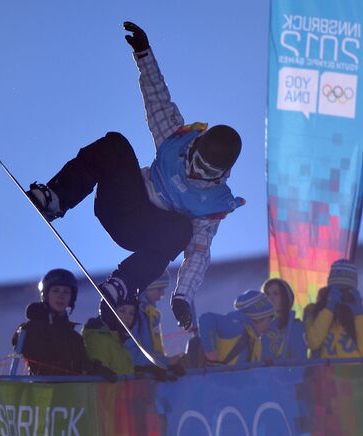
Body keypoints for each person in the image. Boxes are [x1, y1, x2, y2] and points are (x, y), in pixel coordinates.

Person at [25, 22, 244, 331]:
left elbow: (198, 254)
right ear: (194, 148)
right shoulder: (175, 141)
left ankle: (123, 284)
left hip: (145, 231)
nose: (196, 172)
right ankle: (57, 197)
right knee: (116, 144)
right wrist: (144, 54)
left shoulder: (212, 205)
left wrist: (182, 296)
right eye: (197, 162)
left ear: (220, 174)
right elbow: (158, 101)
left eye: (208, 173)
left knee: (183, 229)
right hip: (121, 203)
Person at [12, 268, 116, 380]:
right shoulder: (31, 329)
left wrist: (101, 372)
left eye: (66, 292)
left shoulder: (74, 338)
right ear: (46, 294)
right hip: (44, 394)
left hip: (71, 395)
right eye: (55, 290)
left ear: (71, 297)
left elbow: (85, 364)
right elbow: (40, 360)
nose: (61, 296)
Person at [82, 295, 170, 380]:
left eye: (131, 313)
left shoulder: (120, 340)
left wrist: (145, 371)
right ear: (109, 311)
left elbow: (122, 372)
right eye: (122, 311)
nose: (127, 317)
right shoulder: (97, 338)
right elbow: (101, 382)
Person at [126, 270, 185, 374]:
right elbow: (131, 352)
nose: (162, 294)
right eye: (159, 289)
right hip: (138, 376)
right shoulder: (132, 314)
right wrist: (165, 362)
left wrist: (166, 362)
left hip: (151, 372)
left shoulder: (151, 313)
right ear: (146, 287)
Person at [303, 259, 363, 358]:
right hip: (324, 372)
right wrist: (329, 308)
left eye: (346, 290)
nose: (342, 295)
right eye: (337, 289)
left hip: (355, 372)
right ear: (329, 289)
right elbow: (313, 342)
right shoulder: (312, 310)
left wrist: (359, 315)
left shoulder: (360, 314)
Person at [199, 290, 275, 366]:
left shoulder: (254, 338)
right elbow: (206, 319)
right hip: (218, 377)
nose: (271, 323)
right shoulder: (237, 328)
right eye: (270, 318)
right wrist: (211, 356)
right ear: (258, 318)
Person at [261, 278, 307, 363]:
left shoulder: (296, 327)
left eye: (276, 293)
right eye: (267, 294)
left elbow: (299, 362)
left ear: (285, 297)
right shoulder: (259, 326)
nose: (270, 298)